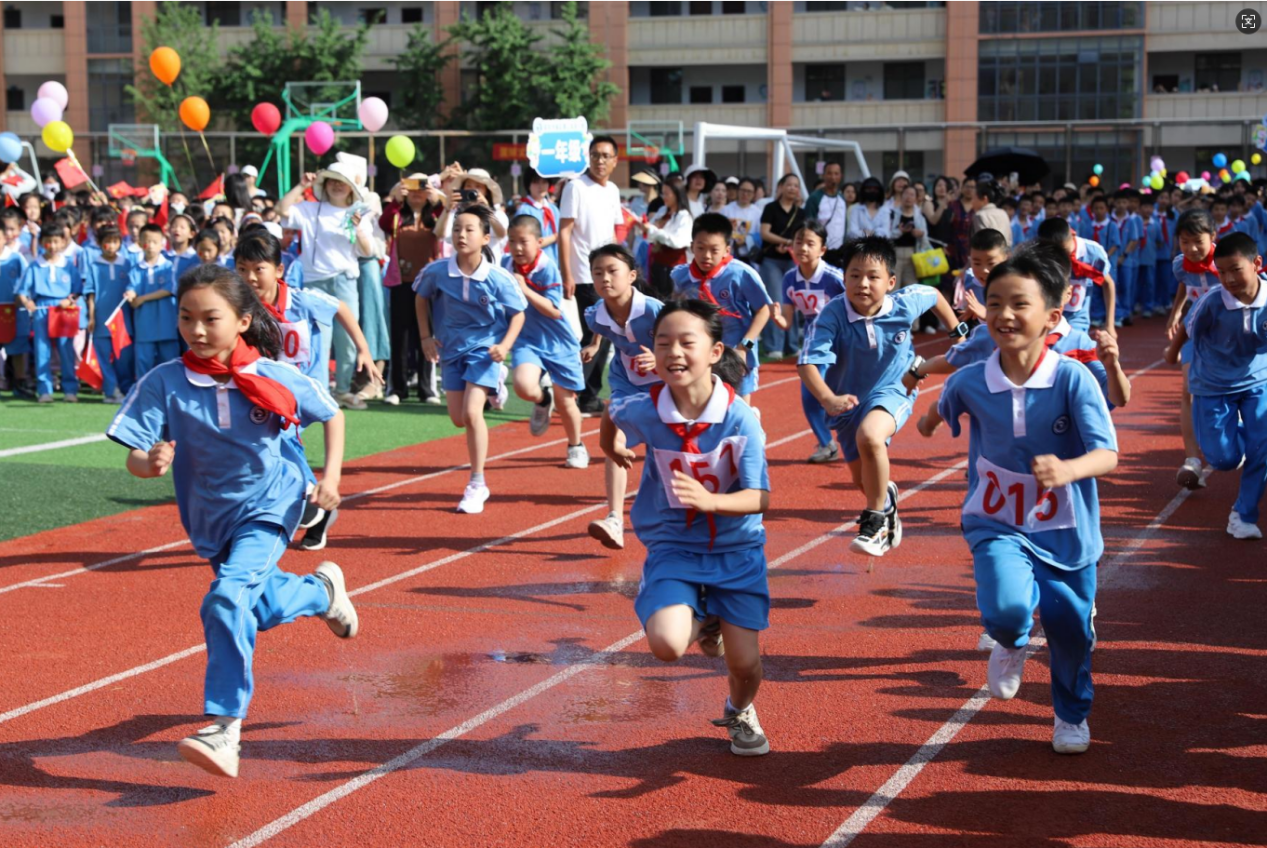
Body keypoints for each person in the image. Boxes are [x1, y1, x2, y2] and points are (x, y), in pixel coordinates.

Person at [106, 264, 356, 779]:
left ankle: (224, 726)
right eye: (186, 318)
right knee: (256, 606)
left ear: (243, 321)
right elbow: (133, 452)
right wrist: (147, 463)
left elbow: (331, 412)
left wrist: (329, 478)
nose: (196, 330)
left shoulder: (270, 375)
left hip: (270, 505)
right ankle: (321, 594)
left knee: (225, 599)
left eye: (210, 319)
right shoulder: (165, 382)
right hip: (209, 519)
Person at [919, 249, 1118, 755]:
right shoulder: (970, 379)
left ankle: (1071, 715)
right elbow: (944, 404)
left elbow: (1108, 454)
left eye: (1019, 304)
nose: (1004, 315)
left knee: (1073, 633)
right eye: (994, 303)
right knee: (1007, 609)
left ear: (1054, 315)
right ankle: (1010, 642)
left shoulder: (1073, 378)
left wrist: (1068, 469)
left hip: (1067, 532)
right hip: (996, 521)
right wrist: (927, 421)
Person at [603, 299, 771, 757]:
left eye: (686, 342)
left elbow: (761, 498)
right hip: (675, 547)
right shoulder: (646, 407)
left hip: (737, 550)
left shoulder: (742, 421)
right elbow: (612, 412)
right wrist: (612, 445)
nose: (673, 352)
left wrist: (711, 500)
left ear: (715, 352)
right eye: (663, 343)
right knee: (666, 645)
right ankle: (702, 614)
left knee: (745, 665)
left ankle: (739, 709)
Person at [797, 235, 960, 557]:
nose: (863, 284)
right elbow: (808, 365)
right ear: (844, 279)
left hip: (895, 388)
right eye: (854, 275)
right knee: (864, 480)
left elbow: (934, 295)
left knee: (870, 436)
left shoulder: (904, 303)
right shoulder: (831, 315)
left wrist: (957, 332)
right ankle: (885, 503)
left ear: (891, 281)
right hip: (846, 403)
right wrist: (829, 399)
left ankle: (875, 521)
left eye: (873, 276)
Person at [414, 205, 527, 514]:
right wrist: (425, 337)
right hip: (451, 350)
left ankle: (477, 483)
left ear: (485, 238)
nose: (461, 235)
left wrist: (504, 346)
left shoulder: (498, 278)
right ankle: (496, 388)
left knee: (472, 413)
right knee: (457, 418)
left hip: (486, 351)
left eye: (469, 229)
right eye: (456, 229)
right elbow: (420, 297)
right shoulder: (437, 271)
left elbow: (518, 314)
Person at [1165, 232, 1267, 539]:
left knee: (1262, 448)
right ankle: (1238, 433)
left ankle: (1243, 515)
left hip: (1257, 380)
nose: (1229, 278)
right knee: (1224, 459)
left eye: (1236, 269)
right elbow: (1188, 328)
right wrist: (1172, 352)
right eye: (1221, 272)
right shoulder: (1212, 302)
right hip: (1213, 385)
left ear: (1257, 264)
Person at [276, 155, 376, 408]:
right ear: (325, 184)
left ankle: (342, 390)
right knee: (316, 341)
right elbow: (281, 210)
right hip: (314, 283)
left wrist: (359, 229)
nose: (337, 186)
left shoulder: (358, 213)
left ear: (351, 188)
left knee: (348, 341)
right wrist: (301, 186)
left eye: (342, 182)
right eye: (332, 181)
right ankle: (316, 391)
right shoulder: (309, 209)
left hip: (345, 281)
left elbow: (368, 251)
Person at [582, 244, 664, 551]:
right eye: (598, 272)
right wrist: (594, 345)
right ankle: (614, 518)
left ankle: (666, 513)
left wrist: (659, 358)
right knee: (614, 442)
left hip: (665, 383)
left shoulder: (656, 311)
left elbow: (683, 340)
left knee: (663, 447)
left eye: (613, 271)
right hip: (625, 381)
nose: (605, 278)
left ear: (631, 275)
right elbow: (604, 325)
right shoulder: (594, 315)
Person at [502, 215, 588, 466]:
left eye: (523, 241)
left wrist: (525, 289)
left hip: (559, 342)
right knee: (522, 386)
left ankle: (576, 445)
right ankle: (542, 400)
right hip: (527, 340)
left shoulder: (547, 267)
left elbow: (553, 310)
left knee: (566, 401)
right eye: (512, 241)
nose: (517, 248)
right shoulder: (505, 265)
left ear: (539, 242)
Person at [670, 213, 773, 405]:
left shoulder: (741, 274)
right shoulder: (680, 276)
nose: (706, 256)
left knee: (739, 407)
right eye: (700, 248)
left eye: (714, 250)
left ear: (727, 249)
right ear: (692, 246)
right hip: (700, 351)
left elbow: (764, 310)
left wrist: (745, 346)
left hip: (736, 350)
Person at [559, 135, 624, 417]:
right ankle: (573, 392)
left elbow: (616, 230)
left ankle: (588, 394)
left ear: (615, 161)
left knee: (605, 334)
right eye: (595, 155)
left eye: (605, 156)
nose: (600, 160)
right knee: (592, 333)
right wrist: (567, 273)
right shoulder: (575, 187)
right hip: (585, 274)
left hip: (610, 274)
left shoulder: (612, 190)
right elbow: (565, 231)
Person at [780, 221, 845, 463]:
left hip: (838, 342)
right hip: (811, 346)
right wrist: (773, 315)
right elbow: (786, 322)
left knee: (839, 391)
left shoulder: (835, 278)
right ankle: (827, 443)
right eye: (799, 242)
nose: (803, 248)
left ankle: (859, 434)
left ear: (822, 250)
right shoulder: (789, 279)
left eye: (810, 243)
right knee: (810, 396)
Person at [1166, 209, 1221, 491]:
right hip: (1193, 332)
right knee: (1187, 389)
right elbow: (1184, 285)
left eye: (1197, 241)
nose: (1191, 248)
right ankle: (1192, 460)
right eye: (1184, 242)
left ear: (1213, 237)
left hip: (1227, 337)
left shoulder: (1227, 262)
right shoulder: (1181, 264)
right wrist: (1175, 314)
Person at [381, 174, 444, 405]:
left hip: (428, 285)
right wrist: (396, 198)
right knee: (400, 336)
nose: (417, 192)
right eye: (412, 187)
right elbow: (383, 223)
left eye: (422, 187)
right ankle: (397, 388)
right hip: (402, 282)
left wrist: (437, 200)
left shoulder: (435, 215)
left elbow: (446, 225)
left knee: (426, 336)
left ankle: (427, 389)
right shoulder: (398, 215)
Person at [1037, 217, 1117, 337]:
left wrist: (1109, 324)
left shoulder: (1093, 252)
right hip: (1047, 316)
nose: (1059, 256)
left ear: (1071, 236)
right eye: (1054, 252)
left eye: (1063, 251)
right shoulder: (1039, 254)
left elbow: (1108, 284)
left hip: (1077, 320)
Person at [758, 173, 805, 358]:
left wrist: (790, 245)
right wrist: (786, 241)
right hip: (771, 261)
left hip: (792, 261)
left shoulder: (800, 213)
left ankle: (792, 346)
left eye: (796, 185)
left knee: (792, 302)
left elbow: (802, 236)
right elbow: (764, 233)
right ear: (781, 187)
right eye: (789, 185)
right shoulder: (770, 208)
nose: (792, 188)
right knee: (775, 301)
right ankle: (774, 346)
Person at [82, 226, 131, 402]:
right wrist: (92, 317)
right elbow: (91, 293)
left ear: (120, 243)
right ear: (100, 244)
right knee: (103, 356)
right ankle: (111, 391)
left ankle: (125, 389)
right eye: (107, 242)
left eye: (115, 242)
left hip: (122, 319)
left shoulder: (126, 263)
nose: (111, 246)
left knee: (123, 357)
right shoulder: (94, 265)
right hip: (102, 317)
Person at [122, 224, 178, 379]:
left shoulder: (168, 266)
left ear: (163, 244)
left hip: (166, 324)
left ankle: (170, 394)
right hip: (144, 325)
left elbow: (168, 289)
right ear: (140, 244)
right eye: (147, 242)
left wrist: (142, 298)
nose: (151, 246)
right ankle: (143, 394)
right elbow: (132, 287)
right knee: (143, 361)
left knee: (169, 362)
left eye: (155, 242)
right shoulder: (136, 269)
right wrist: (130, 294)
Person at [641, 182, 693, 300]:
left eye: (667, 193)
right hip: (657, 262)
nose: (664, 197)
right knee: (656, 297)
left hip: (673, 265)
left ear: (676, 195)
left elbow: (678, 242)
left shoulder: (684, 216)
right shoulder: (662, 210)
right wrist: (645, 227)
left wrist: (653, 230)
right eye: (662, 193)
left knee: (671, 300)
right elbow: (650, 235)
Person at [0, 220, 30, 398]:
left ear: (5, 237)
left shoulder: (16, 258)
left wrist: (23, 298)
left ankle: (20, 383)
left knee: (17, 349)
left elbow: (26, 282)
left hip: (13, 311)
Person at [952, 228, 1009, 323]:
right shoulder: (969, 281)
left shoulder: (1016, 285)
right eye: (977, 263)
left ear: (1006, 259)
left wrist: (986, 314)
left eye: (991, 263)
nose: (984, 270)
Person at [1109, 190, 1143, 327]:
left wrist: (1123, 255)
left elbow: (1134, 241)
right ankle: (1116, 314)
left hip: (1127, 260)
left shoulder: (1131, 220)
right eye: (1118, 202)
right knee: (1113, 287)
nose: (1121, 205)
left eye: (1124, 202)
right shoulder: (1109, 220)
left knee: (1126, 287)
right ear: (1114, 203)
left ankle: (1126, 314)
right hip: (1111, 260)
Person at [515, 169, 560, 265]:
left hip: (555, 264)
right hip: (533, 266)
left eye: (544, 182)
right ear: (528, 185)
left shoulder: (553, 209)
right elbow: (526, 243)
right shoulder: (524, 210)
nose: (540, 186)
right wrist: (555, 237)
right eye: (536, 182)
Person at [889, 186, 928, 290]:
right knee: (892, 288)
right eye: (906, 194)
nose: (908, 197)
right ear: (901, 196)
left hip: (913, 255)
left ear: (916, 198)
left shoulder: (920, 217)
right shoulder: (892, 214)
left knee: (910, 289)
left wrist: (921, 234)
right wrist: (900, 232)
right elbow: (886, 235)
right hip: (895, 254)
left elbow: (925, 240)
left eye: (912, 194)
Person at [722, 177, 763, 264]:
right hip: (728, 255)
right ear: (738, 190)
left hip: (749, 256)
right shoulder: (726, 210)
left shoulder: (758, 213)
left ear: (754, 194)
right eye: (743, 190)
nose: (745, 194)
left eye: (749, 191)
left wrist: (746, 240)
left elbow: (760, 234)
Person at [971, 181, 1012, 248]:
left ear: (985, 198)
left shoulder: (980, 215)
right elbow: (1009, 240)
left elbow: (982, 242)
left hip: (987, 254)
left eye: (974, 198)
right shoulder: (1003, 213)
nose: (972, 201)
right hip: (1003, 253)